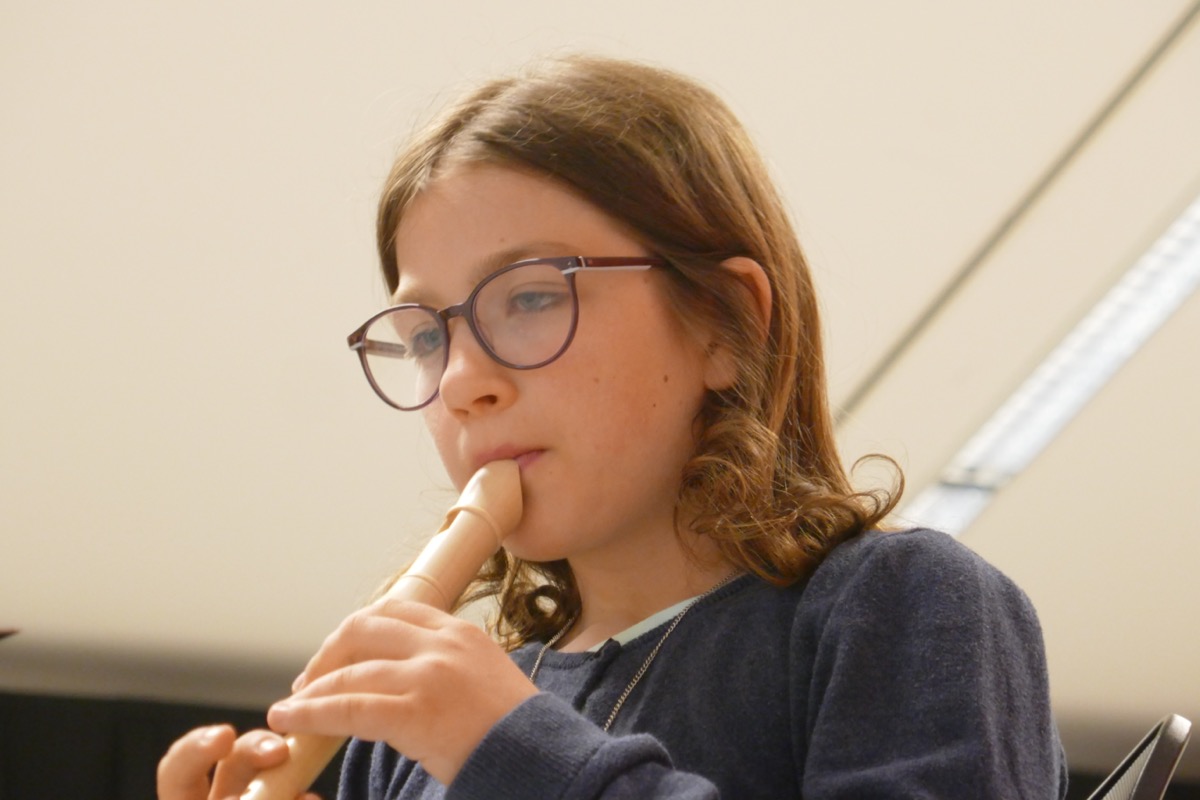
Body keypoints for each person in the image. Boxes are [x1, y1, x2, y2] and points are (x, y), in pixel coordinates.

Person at [158, 54, 1068, 799]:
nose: (463, 380)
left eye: (529, 297)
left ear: (724, 324)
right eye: (428, 334)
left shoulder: (900, 607)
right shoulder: (402, 738)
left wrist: (513, 752)